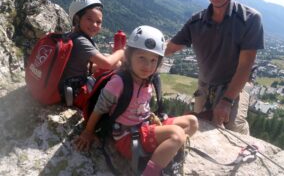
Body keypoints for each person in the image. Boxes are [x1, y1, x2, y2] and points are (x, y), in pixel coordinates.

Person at [74, 25, 199, 176]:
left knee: (192, 122)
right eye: (141, 58)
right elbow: (100, 108)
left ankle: (162, 155)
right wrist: (88, 132)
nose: (147, 66)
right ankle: (151, 172)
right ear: (128, 56)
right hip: (127, 137)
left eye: (153, 60)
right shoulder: (119, 82)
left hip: (143, 127)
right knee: (177, 134)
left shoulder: (148, 80)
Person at [165, 0, 264, 135]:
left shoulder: (250, 19)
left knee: (233, 126)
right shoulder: (196, 22)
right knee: (199, 125)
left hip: (236, 84)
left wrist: (227, 100)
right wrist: (132, 53)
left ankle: (247, 153)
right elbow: (170, 48)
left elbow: (245, 65)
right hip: (206, 85)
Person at [60, 0, 125, 93]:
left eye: (98, 22)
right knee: (117, 66)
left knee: (111, 60)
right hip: (73, 91)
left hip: (64, 84)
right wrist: (121, 51)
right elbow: (107, 63)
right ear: (77, 19)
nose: (94, 25)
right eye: (89, 19)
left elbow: (80, 66)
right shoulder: (81, 41)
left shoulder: (71, 35)